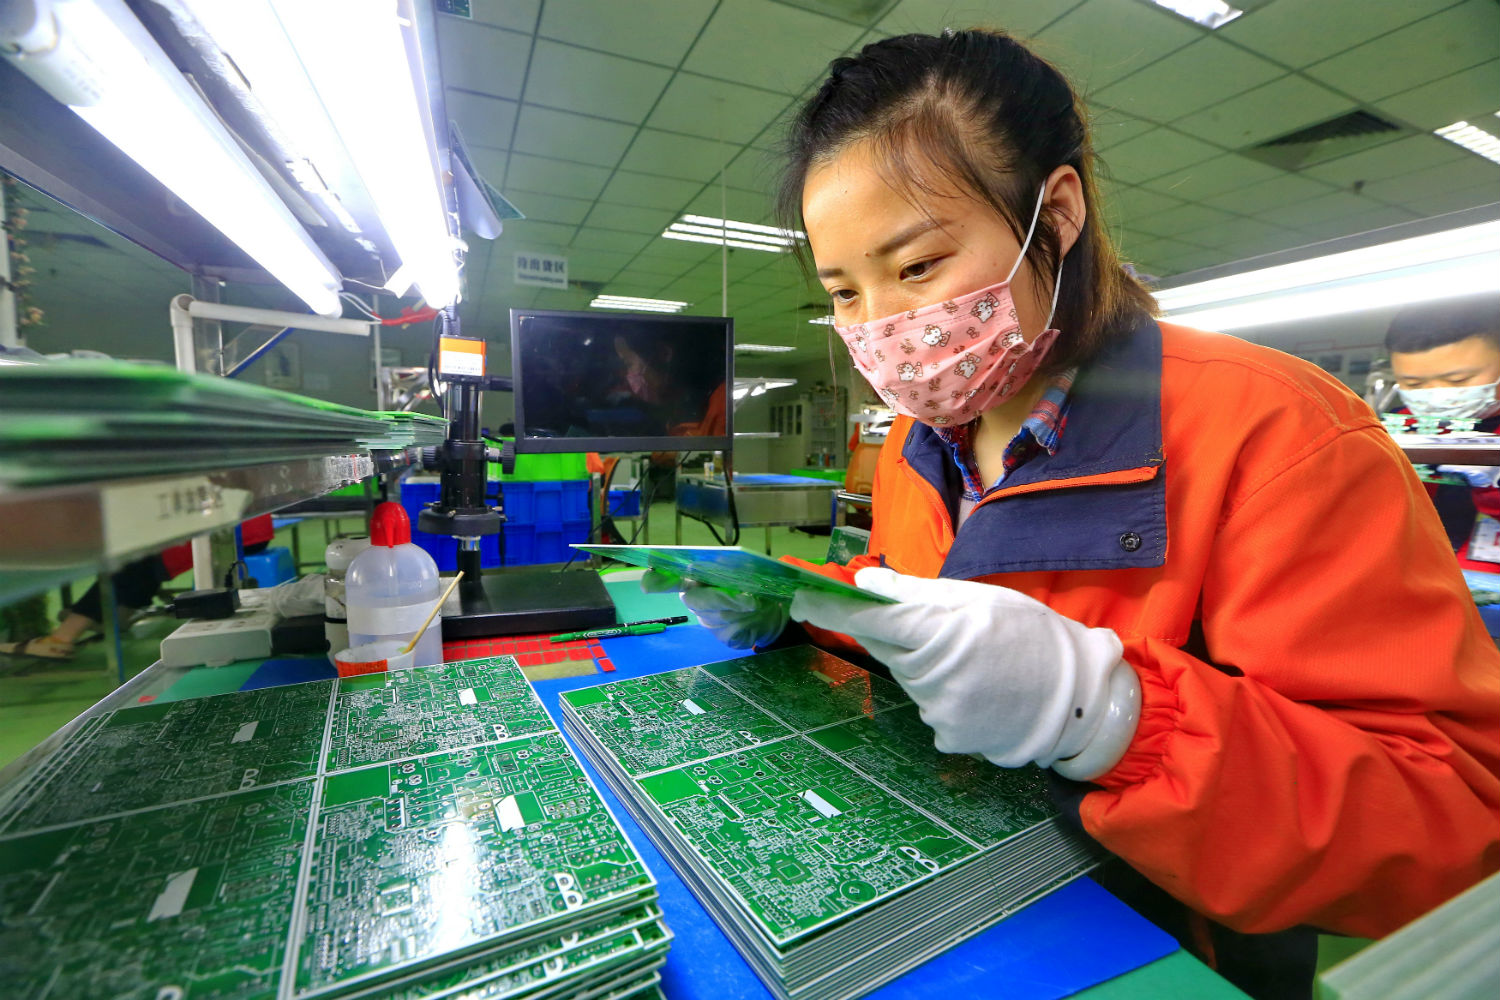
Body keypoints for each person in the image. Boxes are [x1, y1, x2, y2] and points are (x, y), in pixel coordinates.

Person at [646, 29, 1500, 1000]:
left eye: (917, 268)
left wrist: (1111, 713)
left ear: (1053, 216)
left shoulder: (1280, 431)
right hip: (965, 900)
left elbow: (1453, 823)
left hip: (1165, 942)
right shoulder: (920, 441)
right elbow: (922, 606)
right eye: (843, 292)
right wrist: (803, 601)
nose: (879, 325)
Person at [1385, 296, 1500, 571]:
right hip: (1417, 566)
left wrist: (1493, 491)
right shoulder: (1400, 427)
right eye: (1413, 383)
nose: (1436, 394)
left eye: (1458, 380)